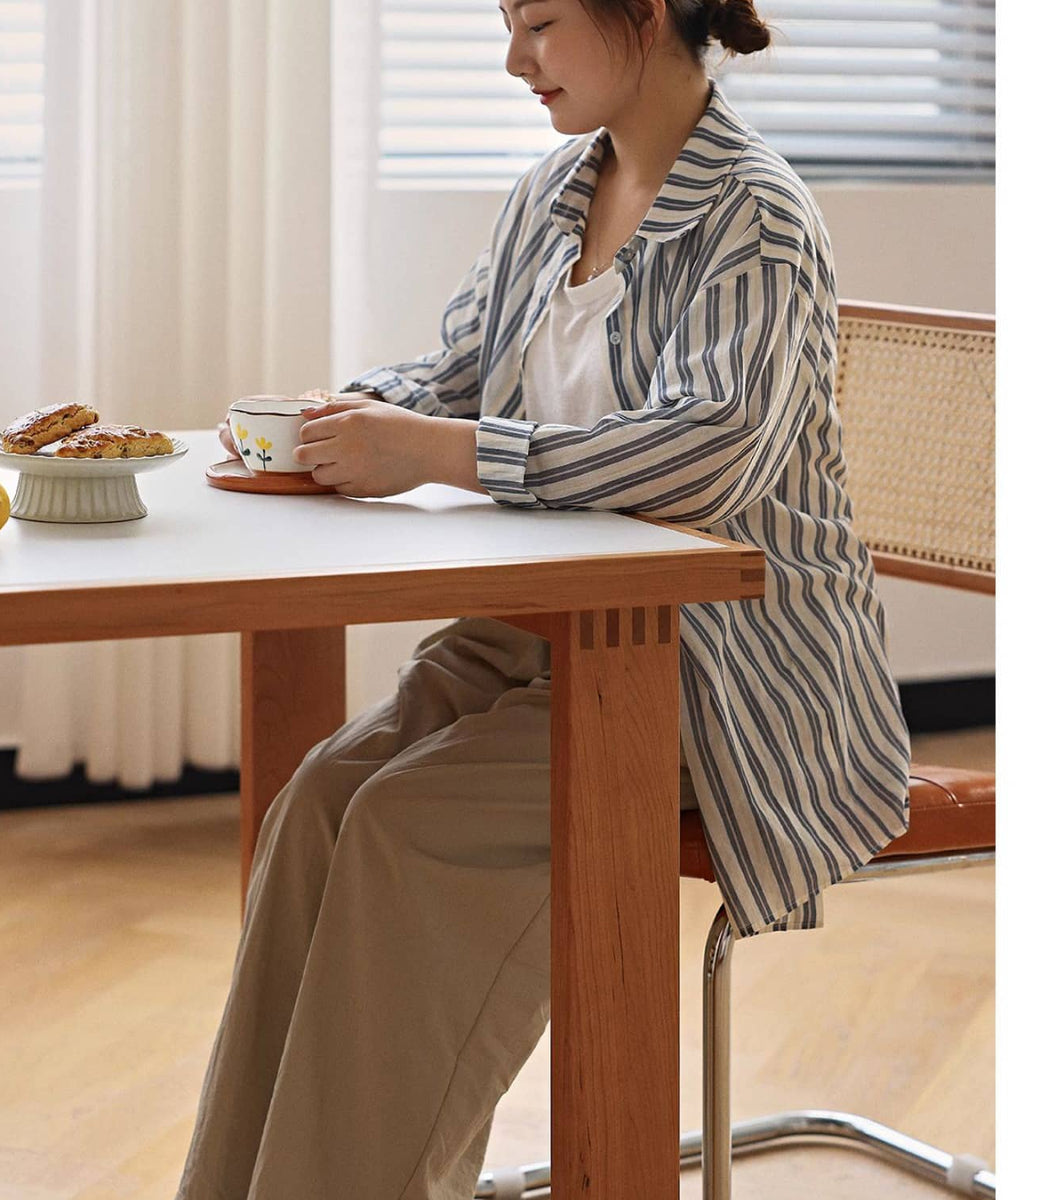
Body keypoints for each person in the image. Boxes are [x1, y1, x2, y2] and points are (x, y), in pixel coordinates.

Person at [179, 1, 912, 1197]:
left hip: (715, 669)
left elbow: (701, 462)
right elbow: (456, 374)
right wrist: (332, 419)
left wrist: (438, 451)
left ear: (653, 13)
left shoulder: (759, 219)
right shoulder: (553, 193)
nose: (515, 58)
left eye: (543, 21)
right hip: (542, 634)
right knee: (317, 803)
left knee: (405, 835)